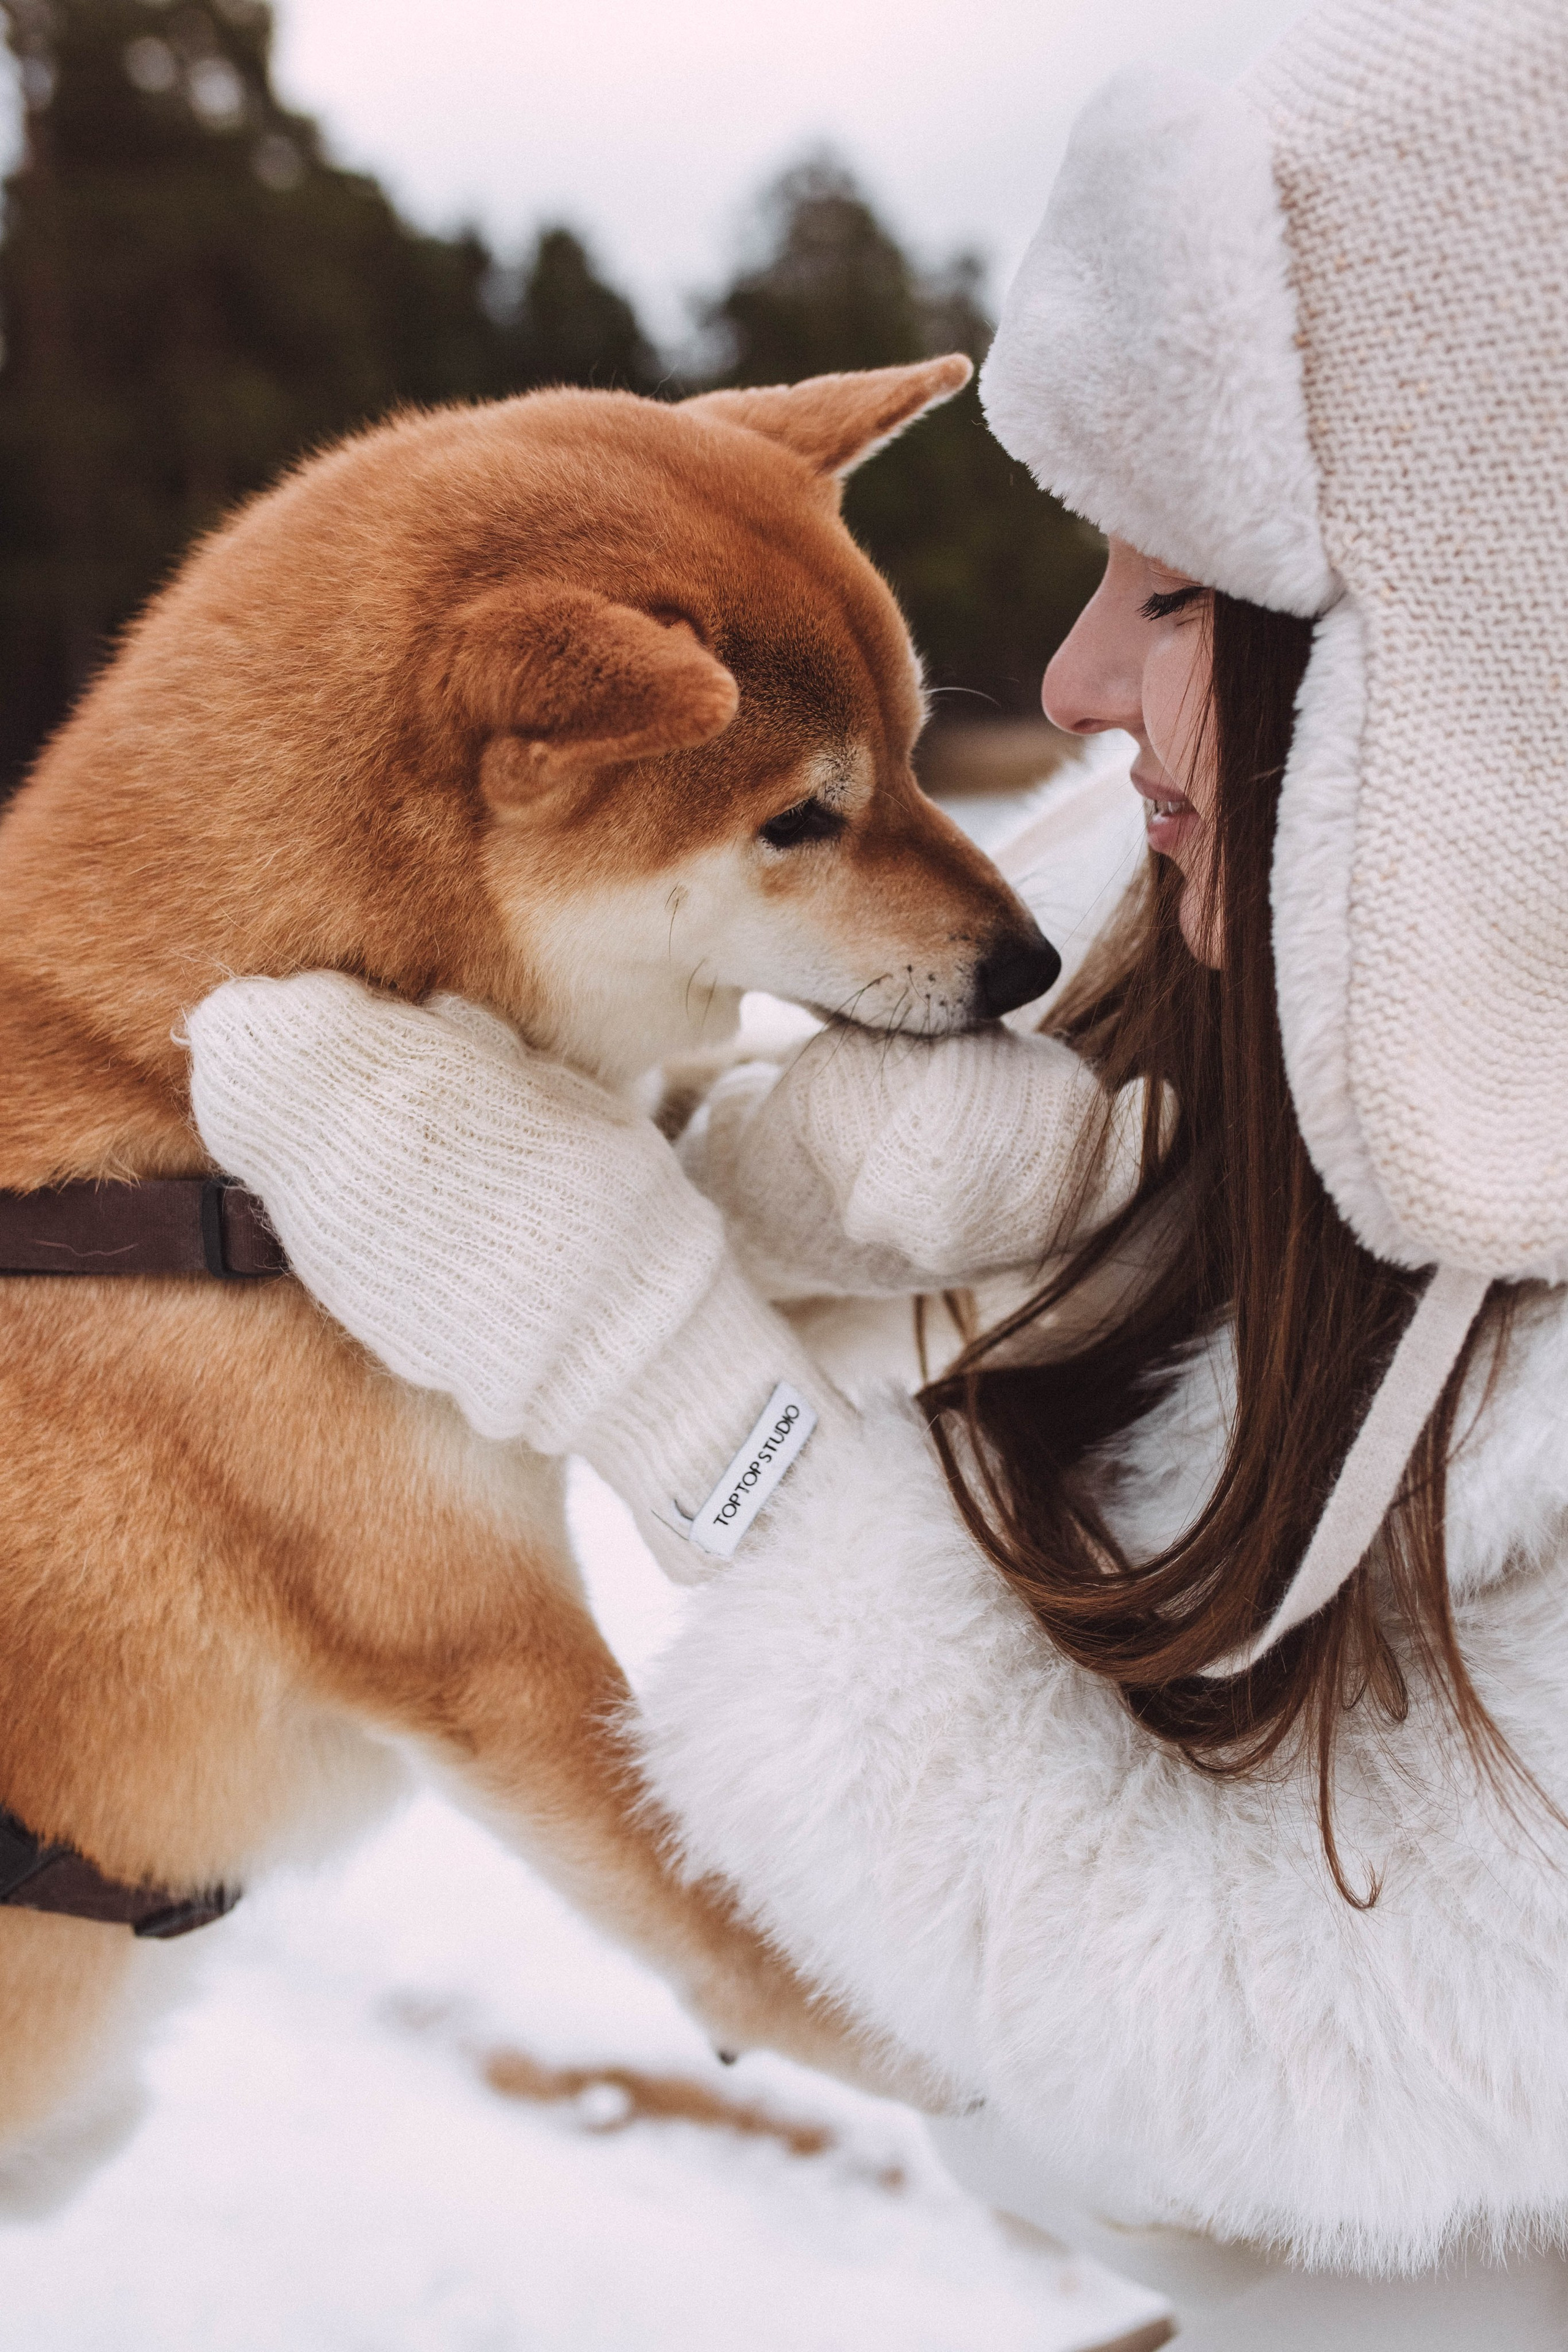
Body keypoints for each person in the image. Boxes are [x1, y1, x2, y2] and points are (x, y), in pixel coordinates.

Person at [183, 0, 1568, 2339]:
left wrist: (674, 1377)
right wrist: (810, 1230)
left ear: (1481, 663)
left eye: (1177, 593)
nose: (1081, 676)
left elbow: (1262, 2106)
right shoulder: (1217, 944)